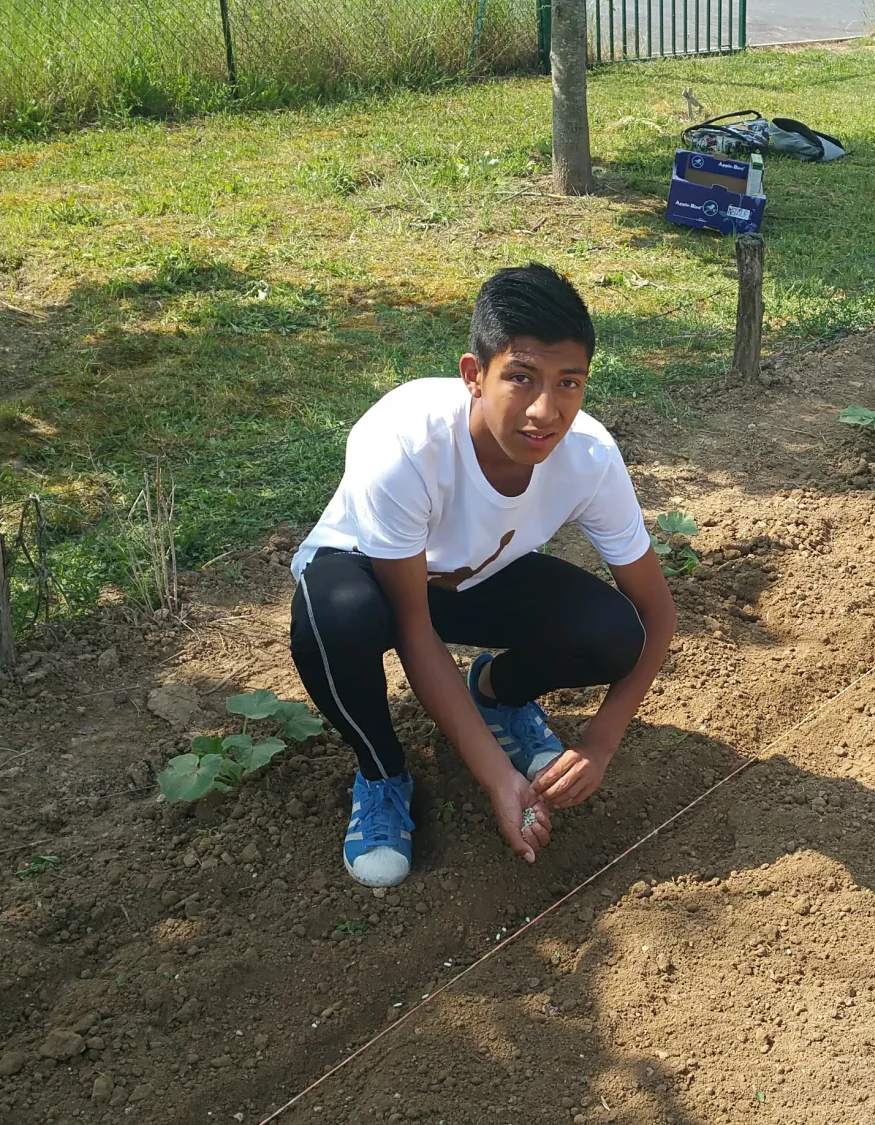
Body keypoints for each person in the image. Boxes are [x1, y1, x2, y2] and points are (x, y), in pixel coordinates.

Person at [287, 264, 676, 888]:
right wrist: (499, 777)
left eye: (569, 383)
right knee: (336, 621)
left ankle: (496, 694)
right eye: (521, 378)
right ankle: (383, 772)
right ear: (474, 376)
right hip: (374, 577)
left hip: (476, 576)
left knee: (610, 632)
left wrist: (601, 741)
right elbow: (414, 629)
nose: (546, 410)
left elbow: (657, 613)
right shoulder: (407, 446)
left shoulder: (590, 458)